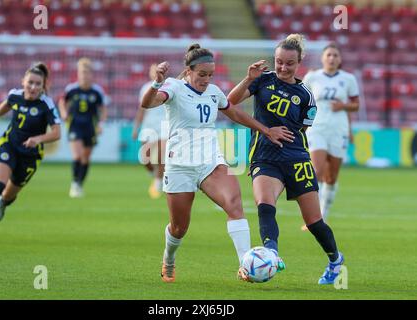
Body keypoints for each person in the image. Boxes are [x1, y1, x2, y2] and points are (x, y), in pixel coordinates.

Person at [140, 44, 293, 283]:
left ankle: (245, 265)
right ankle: (168, 260)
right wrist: (157, 83)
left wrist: (265, 130)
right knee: (179, 228)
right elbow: (148, 103)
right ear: (188, 71)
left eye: (210, 75)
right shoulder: (174, 86)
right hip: (180, 166)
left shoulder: (213, 92)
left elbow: (235, 113)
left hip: (211, 162)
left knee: (235, 206)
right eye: (202, 75)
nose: (206, 79)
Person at [227, 34, 345, 285]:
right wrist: (249, 78)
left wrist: (282, 134)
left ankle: (335, 260)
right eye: (279, 61)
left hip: (296, 158)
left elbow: (301, 130)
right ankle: (272, 254)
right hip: (264, 156)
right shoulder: (262, 81)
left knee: (313, 221)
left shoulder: (305, 95)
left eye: (289, 63)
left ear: (299, 62)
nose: (282, 67)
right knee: (265, 205)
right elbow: (229, 102)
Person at [0, 62, 61, 242]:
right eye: (30, 83)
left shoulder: (46, 104)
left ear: (43, 87)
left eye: (37, 84)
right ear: (23, 82)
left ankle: (2, 204)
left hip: (30, 155)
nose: (33, 87)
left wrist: (38, 139)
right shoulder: (15, 95)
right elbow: (6, 105)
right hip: (9, 145)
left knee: (9, 195)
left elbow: (57, 133)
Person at [302, 43, 359, 227]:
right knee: (316, 171)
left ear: (340, 59)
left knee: (331, 177)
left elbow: (356, 104)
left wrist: (343, 106)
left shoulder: (348, 79)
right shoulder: (312, 77)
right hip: (317, 128)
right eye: (329, 55)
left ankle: (324, 215)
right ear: (322, 58)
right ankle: (315, 218)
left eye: (335, 55)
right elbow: (302, 100)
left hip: (338, 129)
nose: (332, 58)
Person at [58, 58, 108, 198]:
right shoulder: (71, 89)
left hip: (90, 127)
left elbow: (103, 109)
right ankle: (74, 184)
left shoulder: (97, 91)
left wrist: (101, 124)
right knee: (77, 155)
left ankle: (79, 183)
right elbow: (62, 102)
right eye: (81, 72)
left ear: (91, 74)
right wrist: (63, 113)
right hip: (75, 126)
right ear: (78, 74)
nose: (84, 75)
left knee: (86, 158)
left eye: (86, 72)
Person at [132, 64, 168, 199]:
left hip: (165, 125)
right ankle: (155, 173)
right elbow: (141, 109)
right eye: (152, 70)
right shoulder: (145, 88)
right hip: (149, 126)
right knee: (144, 157)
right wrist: (136, 128)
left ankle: (158, 182)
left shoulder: (169, 87)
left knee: (161, 155)